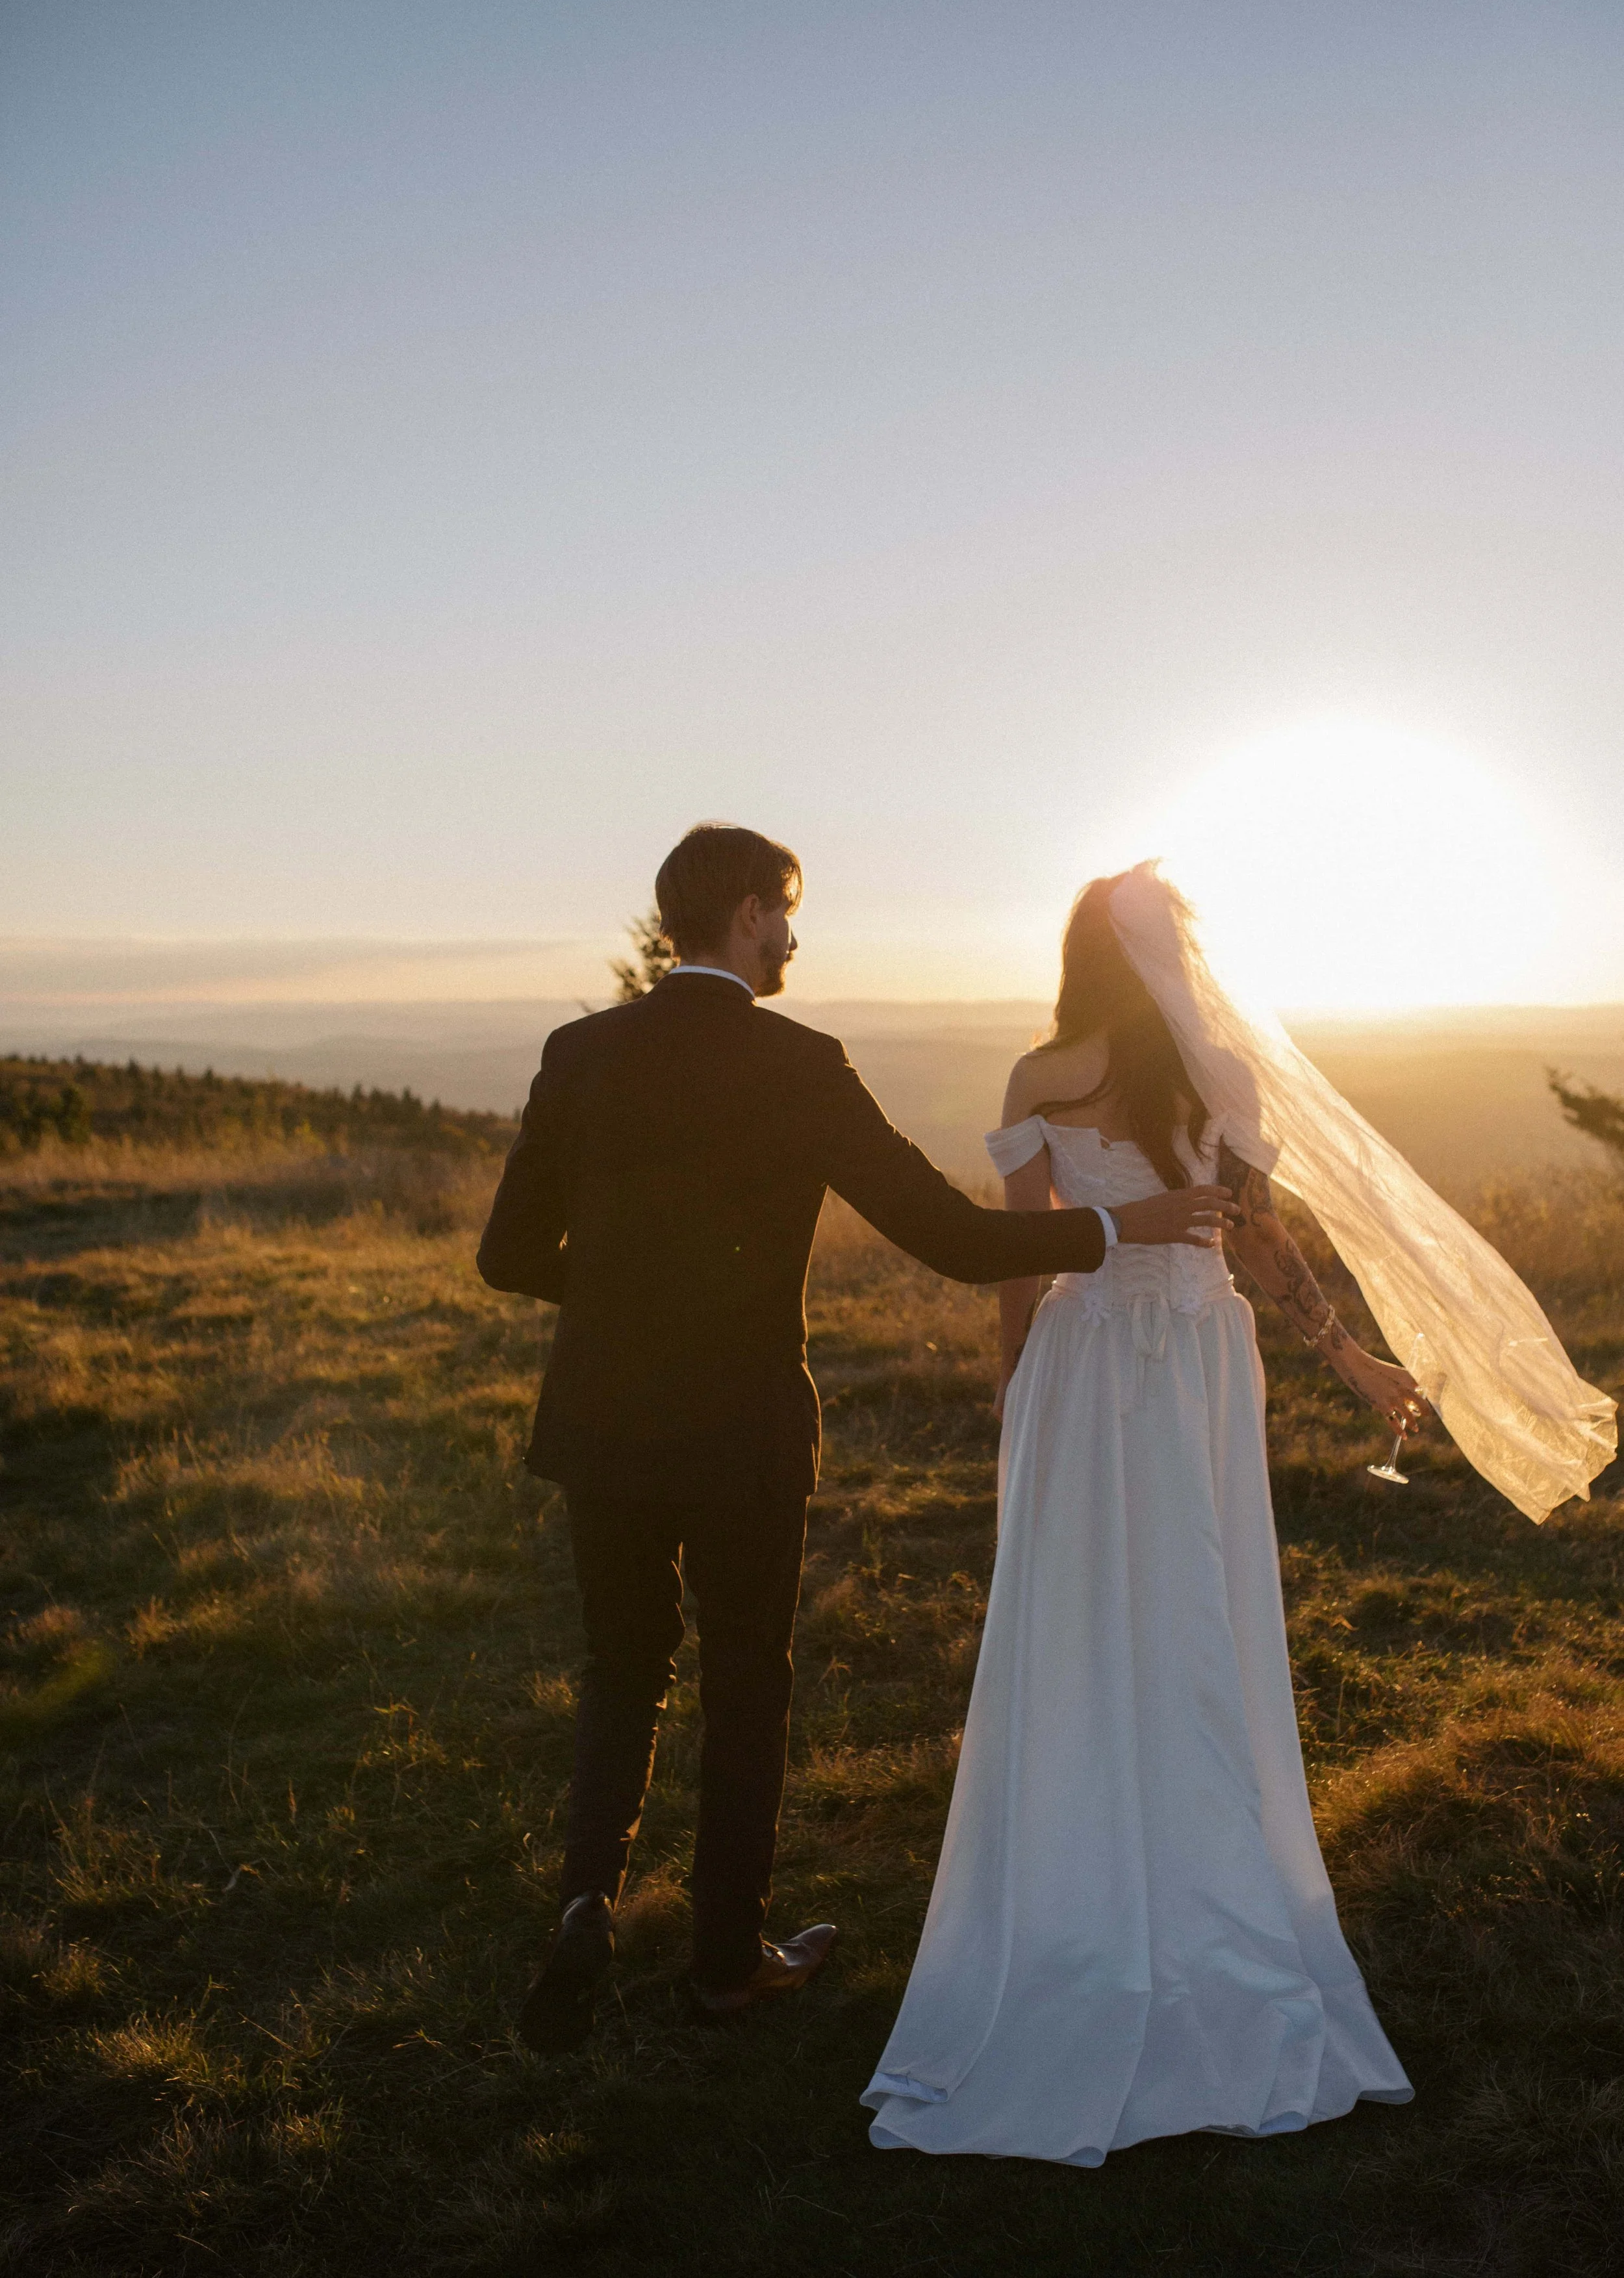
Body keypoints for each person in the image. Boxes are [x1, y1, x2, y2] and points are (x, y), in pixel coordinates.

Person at [863, 863, 1614, 2166]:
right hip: (1198, 1354)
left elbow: (1019, 1253)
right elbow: (1264, 1244)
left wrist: (1008, 1383)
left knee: (1088, 1610)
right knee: (1190, 1599)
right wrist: (1343, 1355)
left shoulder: (1039, 1074)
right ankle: (1184, 1864)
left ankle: (1091, 1865)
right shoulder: (1221, 1081)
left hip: (1086, 1355)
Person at [477, 827, 1240, 2048]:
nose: (793, 935)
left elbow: (506, 1256)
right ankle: (727, 1964)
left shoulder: (581, 1052)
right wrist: (1116, 1229)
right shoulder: (800, 1063)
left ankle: (584, 1903)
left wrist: (630, 1296)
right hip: (743, 1430)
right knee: (745, 1679)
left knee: (620, 1670)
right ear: (740, 917)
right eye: (784, 912)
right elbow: (948, 1235)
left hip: (602, 1423)